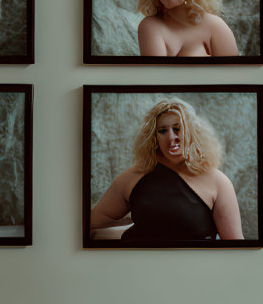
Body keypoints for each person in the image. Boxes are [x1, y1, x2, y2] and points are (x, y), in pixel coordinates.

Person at [90, 99, 243, 241]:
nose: (171, 137)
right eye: (162, 131)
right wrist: (132, 225)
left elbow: (236, 248)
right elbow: (91, 223)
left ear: (193, 133)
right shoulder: (132, 178)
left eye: (178, 128)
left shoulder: (218, 182)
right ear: (153, 137)